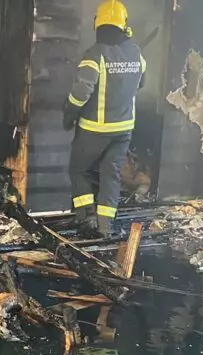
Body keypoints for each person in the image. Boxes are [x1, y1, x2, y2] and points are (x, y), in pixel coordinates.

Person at [63, 0, 146, 237]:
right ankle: (105, 226)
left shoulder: (95, 54)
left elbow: (81, 92)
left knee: (79, 169)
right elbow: (141, 82)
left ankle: (86, 216)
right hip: (124, 129)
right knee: (111, 174)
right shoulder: (136, 53)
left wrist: (69, 112)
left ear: (98, 24)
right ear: (123, 25)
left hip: (94, 128)